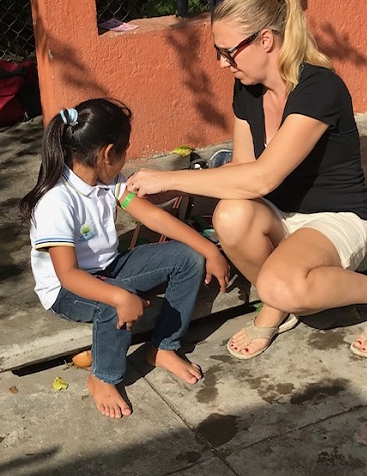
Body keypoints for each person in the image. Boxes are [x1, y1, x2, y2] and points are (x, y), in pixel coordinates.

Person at [127, 0, 367, 361]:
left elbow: (262, 179)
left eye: (229, 52)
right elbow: (243, 172)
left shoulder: (320, 88)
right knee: (230, 213)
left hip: (332, 217)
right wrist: (183, 192)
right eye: (218, 52)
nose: (223, 63)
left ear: (266, 40)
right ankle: (277, 301)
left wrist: (168, 179)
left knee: (281, 283)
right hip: (277, 213)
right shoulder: (248, 88)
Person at [19, 99, 229, 419]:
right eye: (126, 149)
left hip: (111, 267)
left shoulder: (108, 181)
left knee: (188, 258)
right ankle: (103, 376)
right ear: (107, 153)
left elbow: (155, 219)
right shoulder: (56, 202)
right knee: (112, 303)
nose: (127, 157)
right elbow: (68, 275)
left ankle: (163, 347)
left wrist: (209, 249)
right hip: (67, 290)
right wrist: (119, 295)